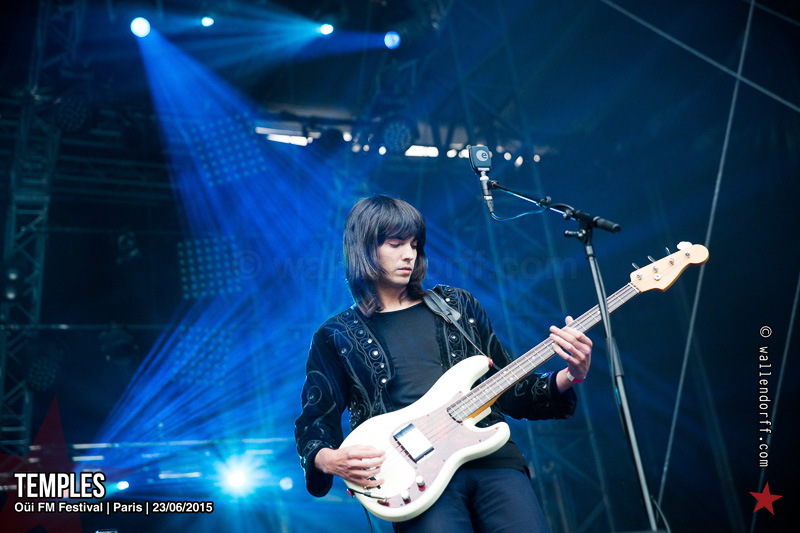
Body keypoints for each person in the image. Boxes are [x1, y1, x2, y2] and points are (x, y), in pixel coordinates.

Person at [295, 195, 592, 532]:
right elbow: (314, 421)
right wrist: (328, 459)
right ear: (364, 249)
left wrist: (571, 374)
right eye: (396, 244)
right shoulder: (336, 335)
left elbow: (511, 389)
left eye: (414, 244)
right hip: (412, 481)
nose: (409, 254)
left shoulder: (458, 306)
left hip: (493, 461)